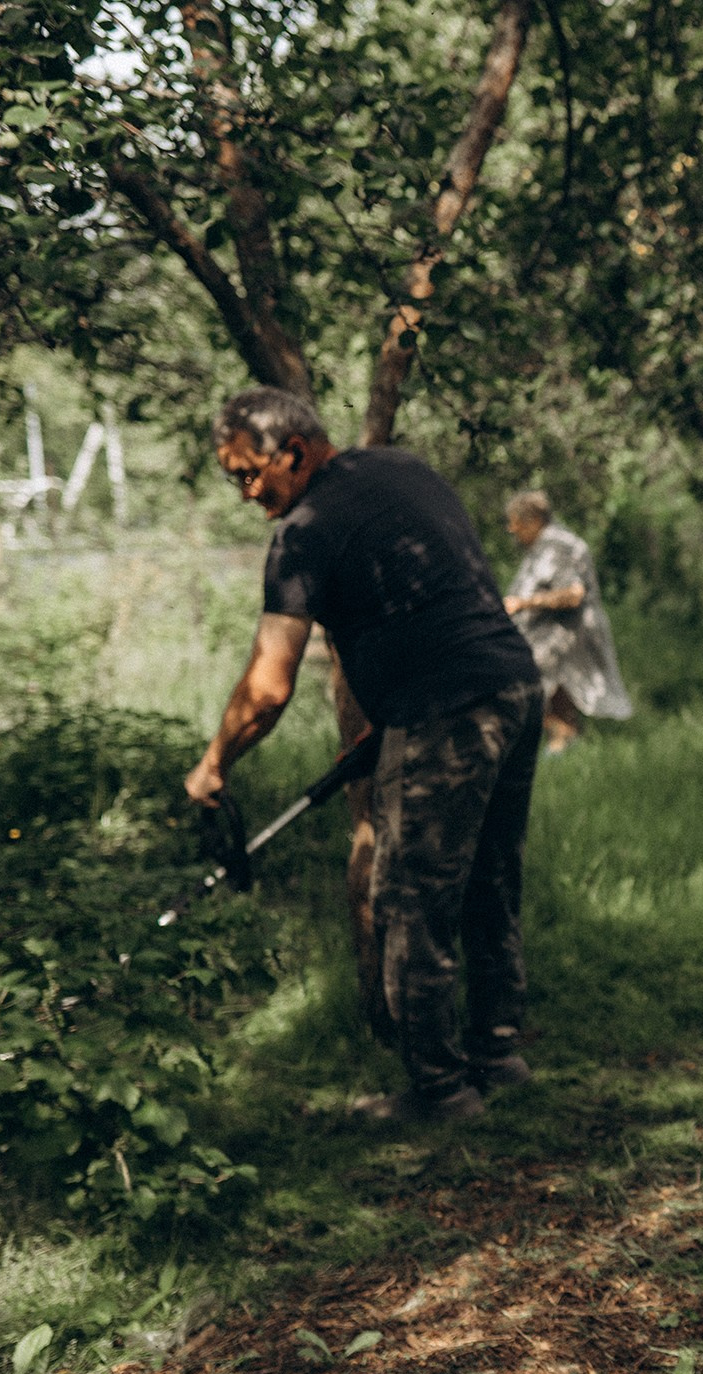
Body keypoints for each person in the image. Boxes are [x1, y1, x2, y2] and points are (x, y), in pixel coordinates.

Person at [186, 387, 544, 1123]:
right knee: (488, 877)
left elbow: (267, 687)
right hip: (511, 686)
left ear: (294, 451)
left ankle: (440, 1089)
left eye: (251, 474)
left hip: (446, 709)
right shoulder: (404, 469)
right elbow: (438, 597)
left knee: (412, 898)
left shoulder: (305, 530)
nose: (247, 494)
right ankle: (497, 1052)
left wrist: (215, 761)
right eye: (233, 479)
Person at [503, 490, 633, 752]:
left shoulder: (559, 546)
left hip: (570, 631)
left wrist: (523, 603)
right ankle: (558, 742)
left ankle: (561, 741)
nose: (511, 529)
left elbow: (573, 596)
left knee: (534, 671)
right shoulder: (541, 546)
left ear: (534, 520)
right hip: (552, 631)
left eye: (515, 522)